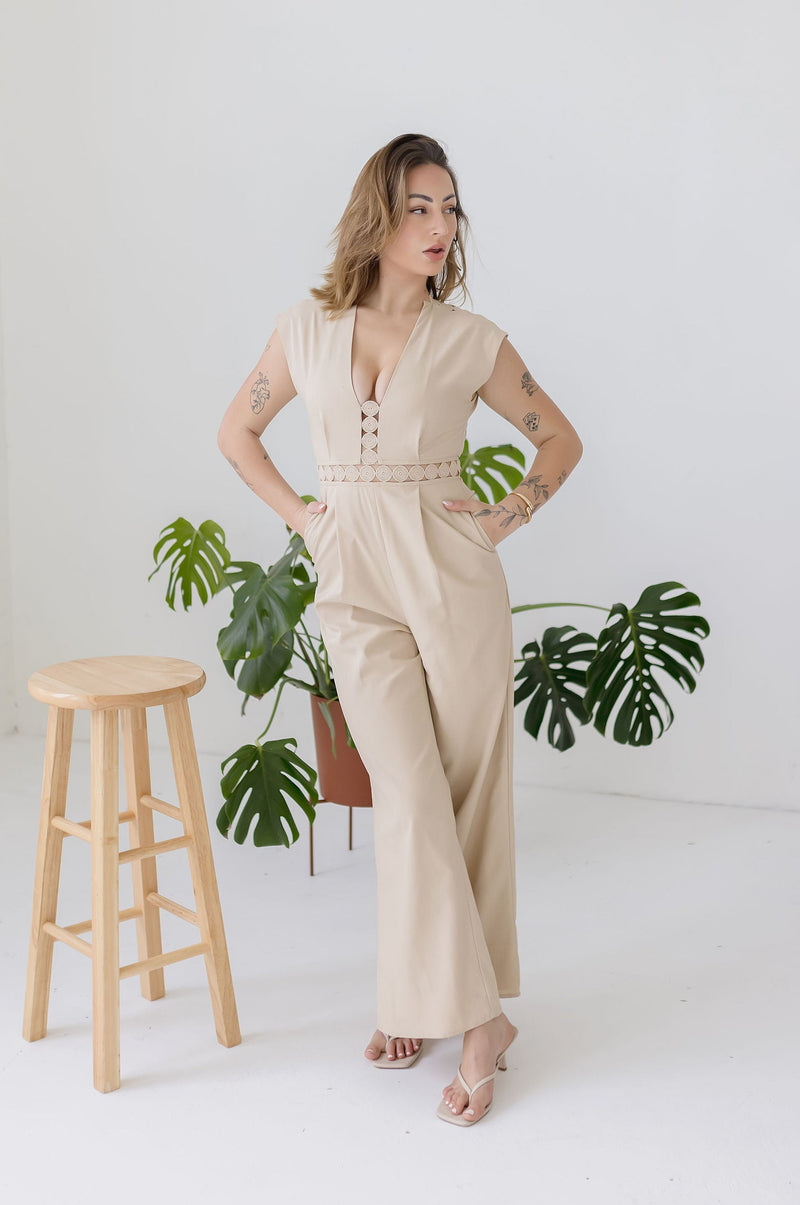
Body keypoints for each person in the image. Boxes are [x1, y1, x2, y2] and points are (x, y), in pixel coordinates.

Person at [217, 133, 583, 1125]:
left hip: (452, 578)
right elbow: (235, 431)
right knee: (410, 796)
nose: (438, 226)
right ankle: (479, 1021)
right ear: (376, 214)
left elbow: (559, 438)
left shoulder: (472, 340)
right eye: (419, 206)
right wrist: (303, 518)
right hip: (354, 581)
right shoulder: (305, 328)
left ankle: (424, 1003)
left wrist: (505, 516)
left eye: (449, 208)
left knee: (464, 799)